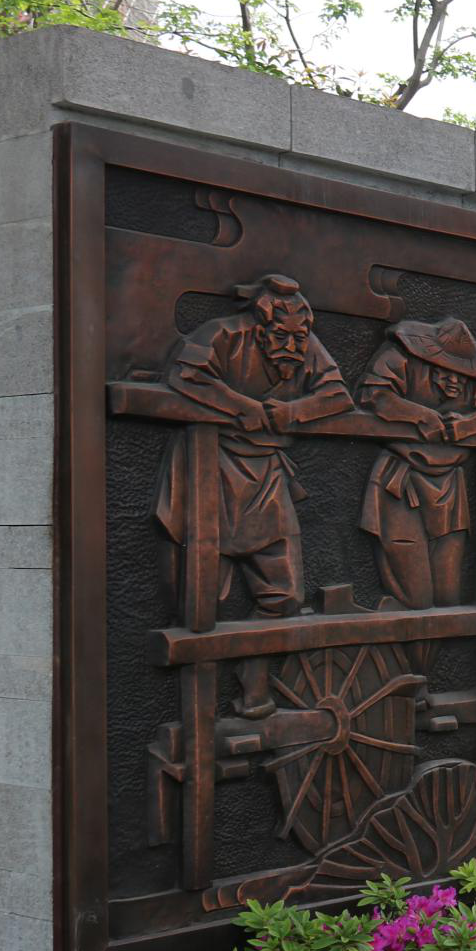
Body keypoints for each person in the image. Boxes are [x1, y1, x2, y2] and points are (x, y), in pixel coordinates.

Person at [153, 274, 353, 718]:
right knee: (201, 598)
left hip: (266, 476)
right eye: (281, 336)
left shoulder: (303, 344)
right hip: (208, 469)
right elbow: (185, 375)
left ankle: (254, 687)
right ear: (259, 327)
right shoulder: (223, 335)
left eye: (299, 337)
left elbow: (338, 395)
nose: (293, 346)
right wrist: (243, 406)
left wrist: (293, 411)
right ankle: (199, 712)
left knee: (284, 593)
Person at [356, 317, 476, 612]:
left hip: (449, 488)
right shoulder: (401, 358)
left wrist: (467, 425)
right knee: (415, 597)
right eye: (445, 371)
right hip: (400, 484)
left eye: (462, 374)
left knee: (447, 597)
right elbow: (374, 394)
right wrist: (420, 415)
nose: (455, 380)